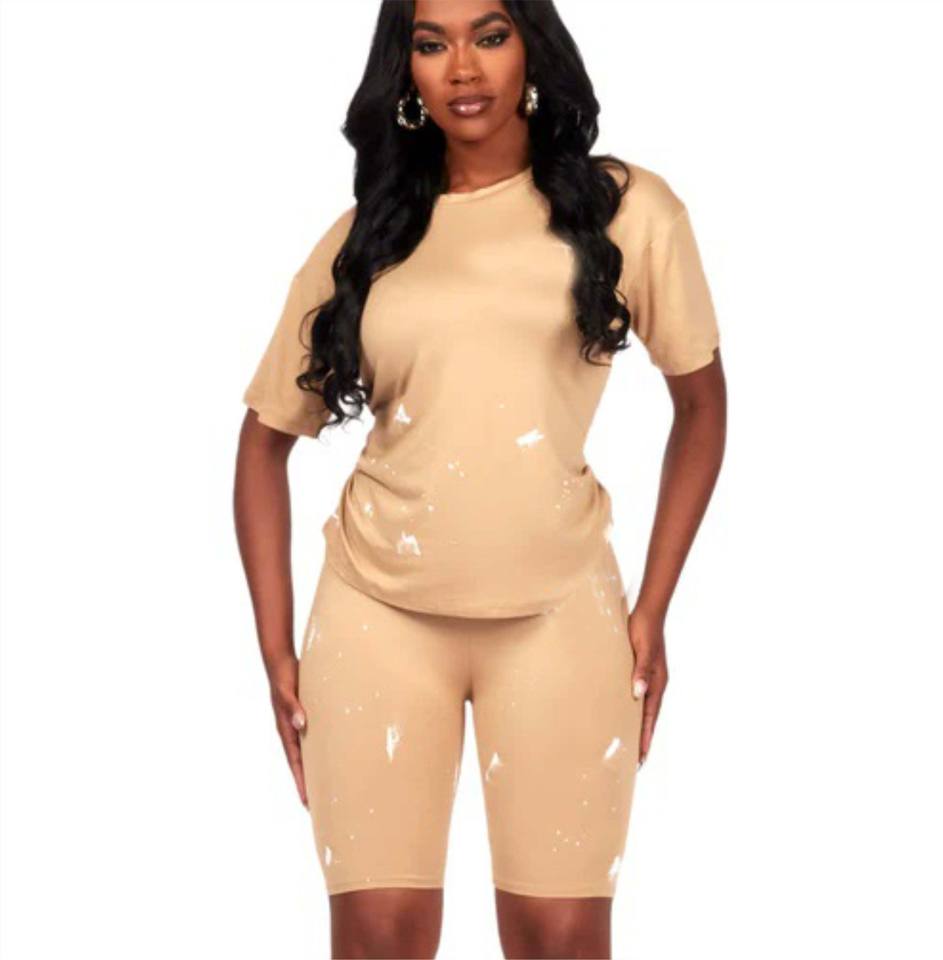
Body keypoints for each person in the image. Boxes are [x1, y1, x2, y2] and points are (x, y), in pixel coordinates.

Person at [233, 1, 726, 956]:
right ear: (405, 70)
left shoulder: (627, 211)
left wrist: (655, 605)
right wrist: (273, 648)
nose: (463, 67)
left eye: (489, 35)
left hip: (560, 614)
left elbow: (702, 407)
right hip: (375, 616)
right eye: (432, 43)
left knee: (559, 938)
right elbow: (262, 443)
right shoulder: (366, 240)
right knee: (379, 938)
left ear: (532, 46)